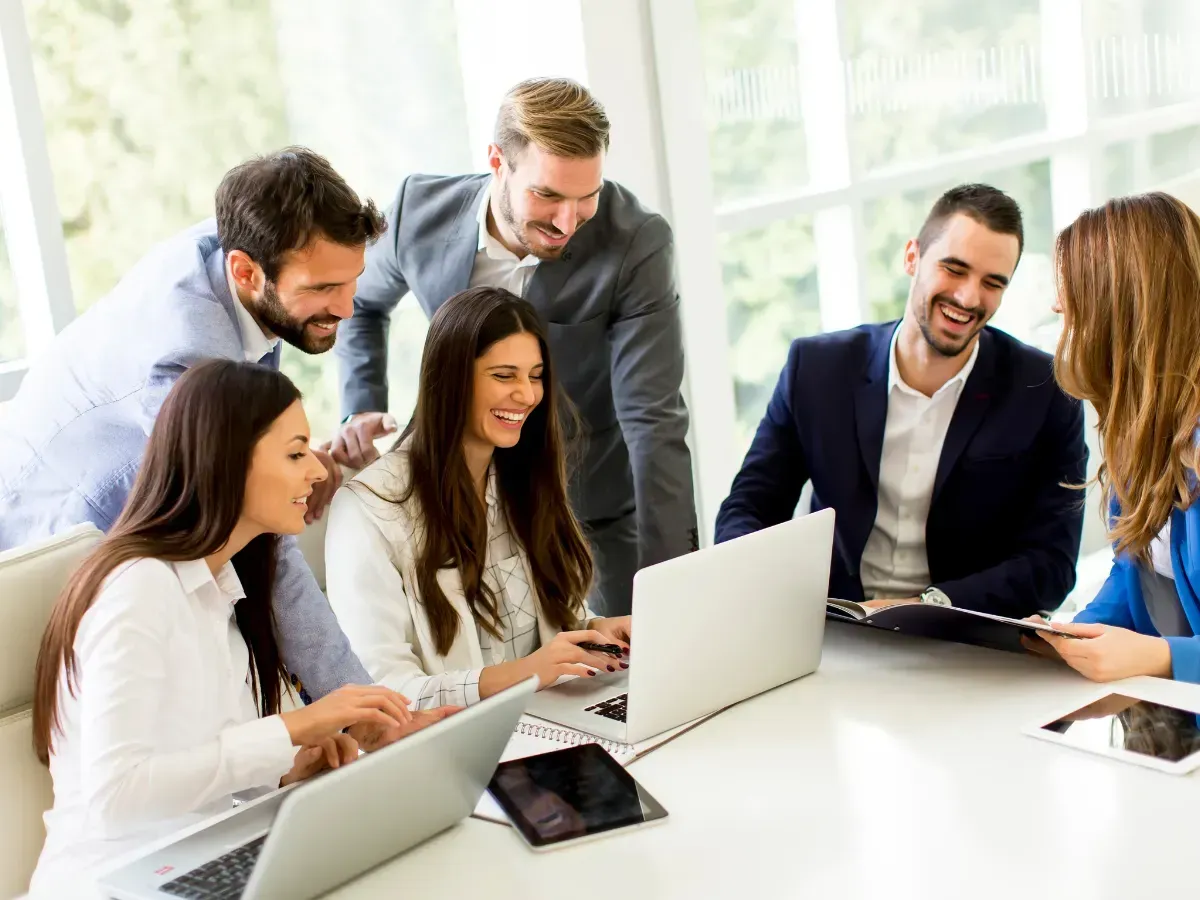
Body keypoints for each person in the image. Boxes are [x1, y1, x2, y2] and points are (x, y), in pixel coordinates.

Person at [28, 361, 444, 895]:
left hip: (203, 856)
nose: (318, 472)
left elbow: (194, 765)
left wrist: (287, 768)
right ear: (227, 462)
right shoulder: (139, 590)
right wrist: (295, 728)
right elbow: (116, 796)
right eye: (296, 453)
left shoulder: (223, 586)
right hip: (115, 882)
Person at [0, 148, 384, 699]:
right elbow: (263, 537)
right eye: (322, 290)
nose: (347, 309)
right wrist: (357, 702)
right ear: (246, 272)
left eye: (352, 282)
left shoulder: (248, 244)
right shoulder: (187, 357)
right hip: (53, 534)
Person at [329, 77, 697, 616]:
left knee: (633, 670)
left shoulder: (637, 243)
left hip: (587, 510)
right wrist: (361, 402)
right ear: (497, 161)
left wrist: (673, 581)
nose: (567, 222)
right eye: (547, 195)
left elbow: (653, 419)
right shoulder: (418, 212)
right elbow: (357, 302)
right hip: (453, 506)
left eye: (586, 197)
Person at [716, 184, 1087, 618]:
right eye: (954, 269)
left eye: (992, 283)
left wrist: (924, 607)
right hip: (835, 625)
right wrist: (763, 592)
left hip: (971, 635)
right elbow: (750, 507)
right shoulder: (817, 369)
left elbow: (1051, 565)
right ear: (912, 257)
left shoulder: (1045, 390)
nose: (968, 298)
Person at [325, 286, 632, 708]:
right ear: (450, 379)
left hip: (551, 727)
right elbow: (384, 693)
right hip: (457, 754)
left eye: (536, 375)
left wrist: (592, 632)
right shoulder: (368, 508)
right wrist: (523, 674)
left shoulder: (520, 479)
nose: (526, 395)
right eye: (504, 376)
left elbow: (526, 640)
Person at [1031, 192, 1200, 684]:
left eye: (1070, 308)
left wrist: (1164, 659)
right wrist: (1071, 638)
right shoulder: (1145, 429)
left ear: (1119, 315)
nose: (1058, 313)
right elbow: (1137, 575)